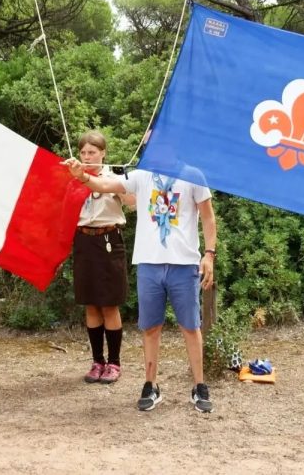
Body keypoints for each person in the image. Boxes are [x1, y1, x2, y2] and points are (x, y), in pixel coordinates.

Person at [64, 154, 217, 413]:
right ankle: (150, 385)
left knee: (191, 327)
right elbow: (103, 185)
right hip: (149, 264)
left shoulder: (194, 175)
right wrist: (82, 176)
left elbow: (208, 218)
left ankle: (199, 386)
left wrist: (209, 254)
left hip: (184, 264)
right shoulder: (142, 176)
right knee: (150, 328)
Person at [72, 131, 130, 385]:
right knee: (91, 303)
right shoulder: (73, 178)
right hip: (84, 240)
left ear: (103, 153)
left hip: (109, 241)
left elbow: (134, 203)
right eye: (83, 153)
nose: (87, 157)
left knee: (109, 303)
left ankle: (114, 362)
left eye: (92, 152)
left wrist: (126, 184)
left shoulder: (114, 178)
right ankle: (97, 361)